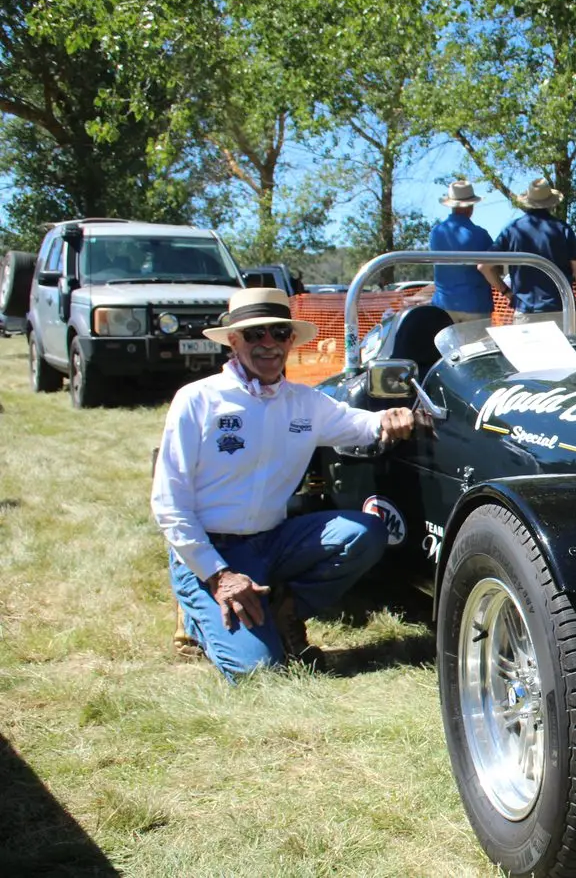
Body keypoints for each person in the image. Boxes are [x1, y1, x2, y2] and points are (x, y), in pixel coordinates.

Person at [151, 288, 415, 682]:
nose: (269, 344)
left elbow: (360, 424)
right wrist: (218, 575)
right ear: (234, 341)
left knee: (366, 532)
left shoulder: (304, 402)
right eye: (256, 335)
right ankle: (195, 610)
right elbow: (168, 504)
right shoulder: (197, 400)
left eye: (278, 333)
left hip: (271, 541)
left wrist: (395, 417)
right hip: (212, 551)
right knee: (260, 673)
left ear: (291, 340)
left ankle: (283, 609)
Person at [486, 178, 576, 314]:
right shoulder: (563, 229)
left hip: (524, 310)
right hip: (560, 310)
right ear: (550, 203)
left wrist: (507, 292)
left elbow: (484, 267)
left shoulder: (512, 229)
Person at [427, 180, 496, 322]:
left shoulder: (436, 233)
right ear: (470, 206)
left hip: (443, 305)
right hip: (475, 305)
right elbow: (494, 267)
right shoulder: (480, 235)